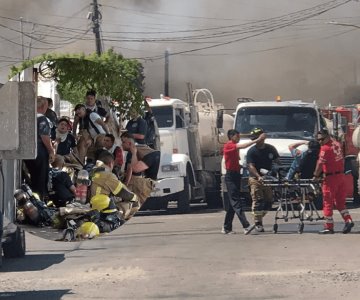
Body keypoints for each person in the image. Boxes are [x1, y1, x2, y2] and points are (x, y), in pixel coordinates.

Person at [222, 129, 266, 235]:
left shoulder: (234, 147)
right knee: (236, 202)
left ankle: (226, 227)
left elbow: (232, 161)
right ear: (231, 136)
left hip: (236, 174)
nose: (239, 138)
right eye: (237, 136)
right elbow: (243, 146)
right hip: (230, 176)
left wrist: (242, 167)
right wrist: (257, 140)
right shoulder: (229, 145)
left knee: (233, 203)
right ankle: (246, 225)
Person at [313, 129, 354, 234]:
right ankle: (348, 220)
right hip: (340, 176)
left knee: (327, 202)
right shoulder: (337, 144)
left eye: (322, 139)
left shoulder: (325, 148)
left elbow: (320, 164)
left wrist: (315, 176)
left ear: (327, 136)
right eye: (318, 140)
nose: (320, 142)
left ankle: (329, 227)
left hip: (331, 178)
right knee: (340, 202)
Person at [247, 127, 281, 232]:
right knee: (258, 200)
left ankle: (260, 216)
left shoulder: (271, 149)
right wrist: (258, 176)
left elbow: (277, 161)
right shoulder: (252, 151)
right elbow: (251, 166)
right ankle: (258, 223)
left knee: (269, 201)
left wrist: (276, 170)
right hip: (255, 178)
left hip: (268, 178)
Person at [24, 96, 56, 200]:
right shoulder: (41, 119)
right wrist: (51, 151)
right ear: (43, 107)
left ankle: (34, 200)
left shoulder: (26, 117)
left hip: (27, 151)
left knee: (33, 178)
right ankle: (39, 203)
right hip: (39, 151)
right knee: (40, 180)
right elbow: (44, 137)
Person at [90, 151, 138, 220]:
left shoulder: (92, 171)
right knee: (131, 206)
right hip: (104, 210)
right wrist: (136, 198)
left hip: (92, 206)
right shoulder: (108, 175)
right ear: (111, 164)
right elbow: (123, 192)